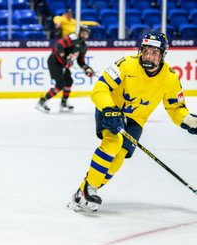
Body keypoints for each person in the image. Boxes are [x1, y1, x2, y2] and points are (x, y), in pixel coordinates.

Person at [67, 32, 197, 212]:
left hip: (136, 120)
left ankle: (82, 192)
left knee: (120, 156)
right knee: (113, 142)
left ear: (163, 55)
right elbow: (100, 88)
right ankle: (90, 189)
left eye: (154, 53)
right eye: (146, 51)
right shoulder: (126, 64)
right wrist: (109, 109)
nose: (148, 56)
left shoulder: (170, 77)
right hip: (111, 109)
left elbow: (175, 108)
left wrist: (189, 120)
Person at [36, 25, 95, 113]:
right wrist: (64, 57)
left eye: (86, 34)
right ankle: (42, 101)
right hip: (55, 61)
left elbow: (80, 61)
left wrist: (86, 69)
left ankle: (63, 103)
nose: (84, 35)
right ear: (79, 32)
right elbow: (59, 45)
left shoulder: (83, 46)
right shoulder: (73, 38)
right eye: (83, 33)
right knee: (60, 84)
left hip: (63, 64)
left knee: (69, 81)